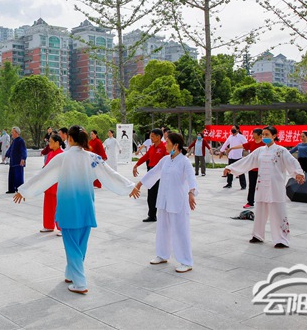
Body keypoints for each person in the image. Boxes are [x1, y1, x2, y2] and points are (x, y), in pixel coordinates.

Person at [13, 126, 135, 294]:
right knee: (80, 244)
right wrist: (129, 187)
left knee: (72, 246)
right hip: (86, 206)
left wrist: (24, 190)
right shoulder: (92, 157)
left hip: (68, 207)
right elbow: (110, 174)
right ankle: (71, 273)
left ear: (69, 138)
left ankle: (80, 283)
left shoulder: (63, 158)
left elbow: (43, 175)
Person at [224, 126, 305, 248]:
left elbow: (292, 162)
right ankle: (257, 235)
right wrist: (230, 168)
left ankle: (281, 239)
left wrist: (298, 173)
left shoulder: (281, 151)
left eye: (267, 134)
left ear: (274, 136)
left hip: (275, 186)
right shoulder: (260, 151)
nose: (264, 137)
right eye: (263, 135)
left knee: (278, 212)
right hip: (262, 185)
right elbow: (247, 160)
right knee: (260, 210)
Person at [130, 132, 197, 273]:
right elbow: (153, 172)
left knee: (180, 230)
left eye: (168, 142)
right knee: (162, 228)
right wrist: (139, 184)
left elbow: (191, 178)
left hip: (177, 201)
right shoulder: (165, 160)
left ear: (176, 145)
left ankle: (186, 261)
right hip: (164, 200)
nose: (165, 145)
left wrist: (191, 193)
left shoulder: (184, 161)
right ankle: (162, 255)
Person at [133, 128, 167, 222]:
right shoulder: (152, 147)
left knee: (161, 194)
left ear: (158, 137)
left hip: (161, 174)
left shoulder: (164, 147)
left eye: (152, 136)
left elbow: (168, 160)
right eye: (150, 136)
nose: (150, 138)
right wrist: (136, 165)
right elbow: (145, 157)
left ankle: (165, 216)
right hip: (151, 171)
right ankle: (152, 215)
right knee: (151, 195)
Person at [229, 128, 266, 209]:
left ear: (260, 135)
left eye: (254, 133)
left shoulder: (264, 144)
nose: (252, 135)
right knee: (252, 186)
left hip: (263, 169)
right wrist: (231, 148)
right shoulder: (251, 143)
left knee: (263, 186)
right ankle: (250, 202)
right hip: (252, 168)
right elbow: (242, 146)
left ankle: (264, 202)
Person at [40, 134, 64, 234]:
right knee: (48, 205)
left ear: (57, 143)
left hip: (58, 183)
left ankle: (62, 227)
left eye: (50, 141)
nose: (49, 143)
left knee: (59, 206)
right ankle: (48, 225)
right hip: (48, 183)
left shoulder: (62, 155)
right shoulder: (50, 154)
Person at [218, 125, 247, 189]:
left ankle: (243, 185)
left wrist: (249, 152)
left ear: (238, 130)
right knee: (229, 171)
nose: (232, 130)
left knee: (240, 171)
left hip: (238, 157)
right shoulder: (230, 137)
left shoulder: (241, 137)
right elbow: (225, 144)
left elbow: (246, 144)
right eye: (232, 129)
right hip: (231, 156)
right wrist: (221, 151)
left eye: (234, 129)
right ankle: (229, 184)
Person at [5, 126, 27, 194]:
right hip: (12, 162)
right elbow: (10, 149)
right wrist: (6, 155)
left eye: (12, 132)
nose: (11, 133)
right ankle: (11, 189)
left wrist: (23, 158)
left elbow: (23, 150)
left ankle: (19, 189)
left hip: (18, 162)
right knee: (11, 176)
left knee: (18, 176)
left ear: (17, 133)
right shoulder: (14, 141)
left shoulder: (21, 141)